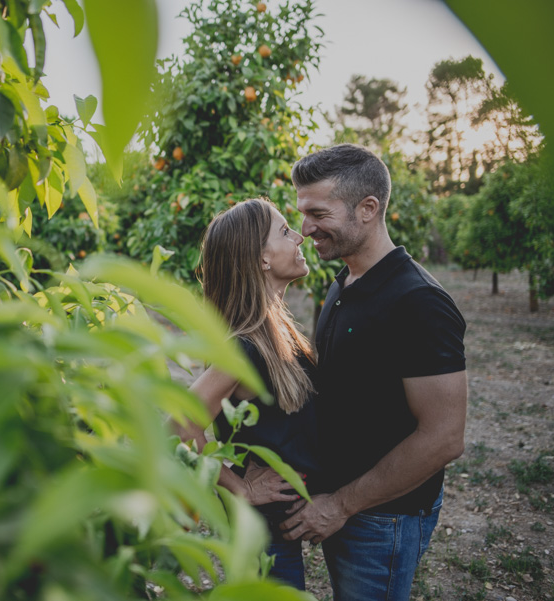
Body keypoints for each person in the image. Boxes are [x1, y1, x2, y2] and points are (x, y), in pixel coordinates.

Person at [280, 144, 467, 601]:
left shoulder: (418, 302)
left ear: (367, 209)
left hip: (382, 517)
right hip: (345, 505)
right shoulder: (345, 281)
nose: (305, 229)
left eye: (318, 213)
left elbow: (444, 437)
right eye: (301, 213)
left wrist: (341, 505)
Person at [175, 197, 322, 590]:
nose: (299, 238)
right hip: (263, 535)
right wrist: (240, 487)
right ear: (262, 260)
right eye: (286, 232)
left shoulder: (274, 331)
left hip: (279, 529)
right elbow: (180, 424)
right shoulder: (244, 347)